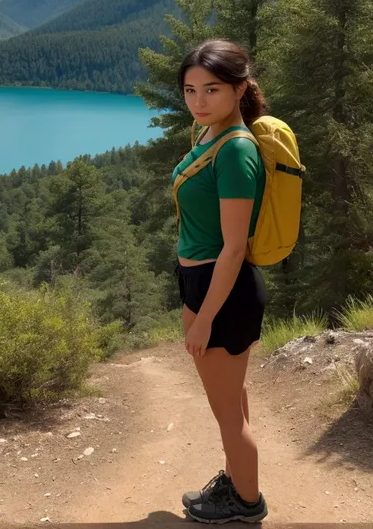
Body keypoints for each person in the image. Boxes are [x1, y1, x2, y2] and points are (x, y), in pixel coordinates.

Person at [172, 39, 269, 524]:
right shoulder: (208, 133)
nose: (198, 101)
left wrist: (204, 319)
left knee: (228, 415)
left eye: (211, 89)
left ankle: (247, 505)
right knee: (232, 403)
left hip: (223, 292)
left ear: (239, 89)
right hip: (203, 284)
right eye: (190, 90)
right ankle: (236, 482)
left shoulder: (235, 152)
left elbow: (234, 247)